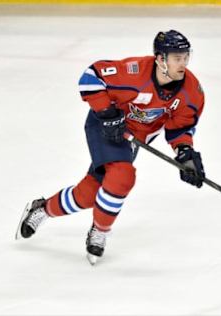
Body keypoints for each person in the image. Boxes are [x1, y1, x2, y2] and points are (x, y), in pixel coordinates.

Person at [15, 30, 206, 265]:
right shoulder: (134, 72)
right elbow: (91, 76)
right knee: (122, 177)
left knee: (88, 195)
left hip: (133, 136)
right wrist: (107, 113)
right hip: (104, 125)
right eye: (177, 58)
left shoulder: (191, 91)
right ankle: (100, 230)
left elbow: (180, 128)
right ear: (160, 58)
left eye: (186, 57)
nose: (183, 63)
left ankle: (42, 209)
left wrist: (185, 153)